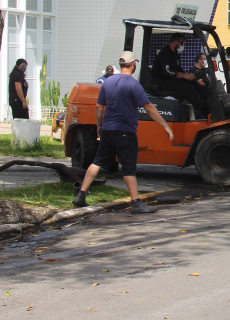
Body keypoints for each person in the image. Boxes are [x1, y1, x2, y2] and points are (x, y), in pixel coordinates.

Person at [73, 51, 173, 214]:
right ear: (133, 64)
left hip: (108, 129)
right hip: (125, 131)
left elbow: (98, 107)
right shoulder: (134, 85)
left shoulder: (108, 82)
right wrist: (165, 125)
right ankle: (136, 203)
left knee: (97, 162)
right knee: (128, 168)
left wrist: (99, 125)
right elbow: (148, 107)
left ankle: (81, 195)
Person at [151, 33, 208, 116]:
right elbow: (168, 72)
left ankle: (205, 106)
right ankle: (203, 109)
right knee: (187, 88)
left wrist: (188, 76)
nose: (182, 46)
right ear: (175, 42)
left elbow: (178, 69)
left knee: (195, 83)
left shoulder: (175, 54)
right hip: (162, 82)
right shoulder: (166, 53)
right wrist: (184, 76)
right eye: (181, 43)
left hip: (171, 80)